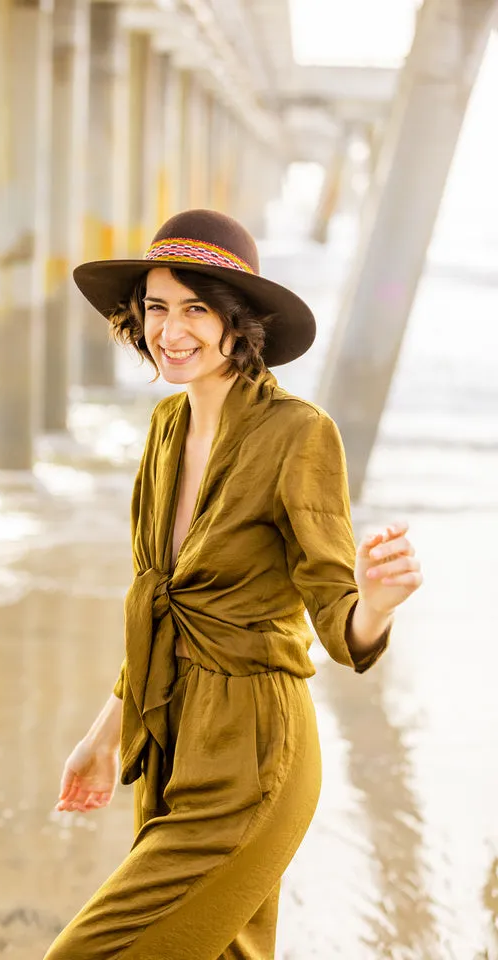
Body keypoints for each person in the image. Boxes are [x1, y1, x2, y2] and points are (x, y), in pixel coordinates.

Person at [44, 209, 423, 960]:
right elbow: (162, 611)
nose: (171, 329)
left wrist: (375, 603)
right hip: (171, 735)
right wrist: (100, 738)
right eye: (156, 307)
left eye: (196, 307)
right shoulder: (163, 427)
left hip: (253, 751)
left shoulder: (298, 433)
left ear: (237, 321)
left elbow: (336, 618)